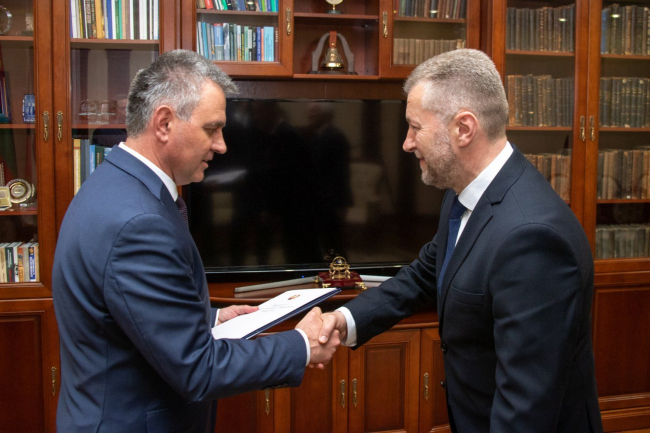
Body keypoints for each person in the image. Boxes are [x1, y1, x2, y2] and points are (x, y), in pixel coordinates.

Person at [52, 50, 340, 432]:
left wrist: (212, 317)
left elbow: (128, 311)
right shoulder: (138, 222)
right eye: (211, 129)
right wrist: (301, 344)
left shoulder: (115, 183)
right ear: (164, 123)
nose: (221, 145)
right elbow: (198, 369)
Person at [318, 49, 603, 433]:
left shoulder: (532, 239)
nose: (406, 143)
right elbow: (425, 273)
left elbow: (525, 408)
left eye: (415, 127)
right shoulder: (464, 192)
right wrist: (343, 320)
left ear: (464, 129)